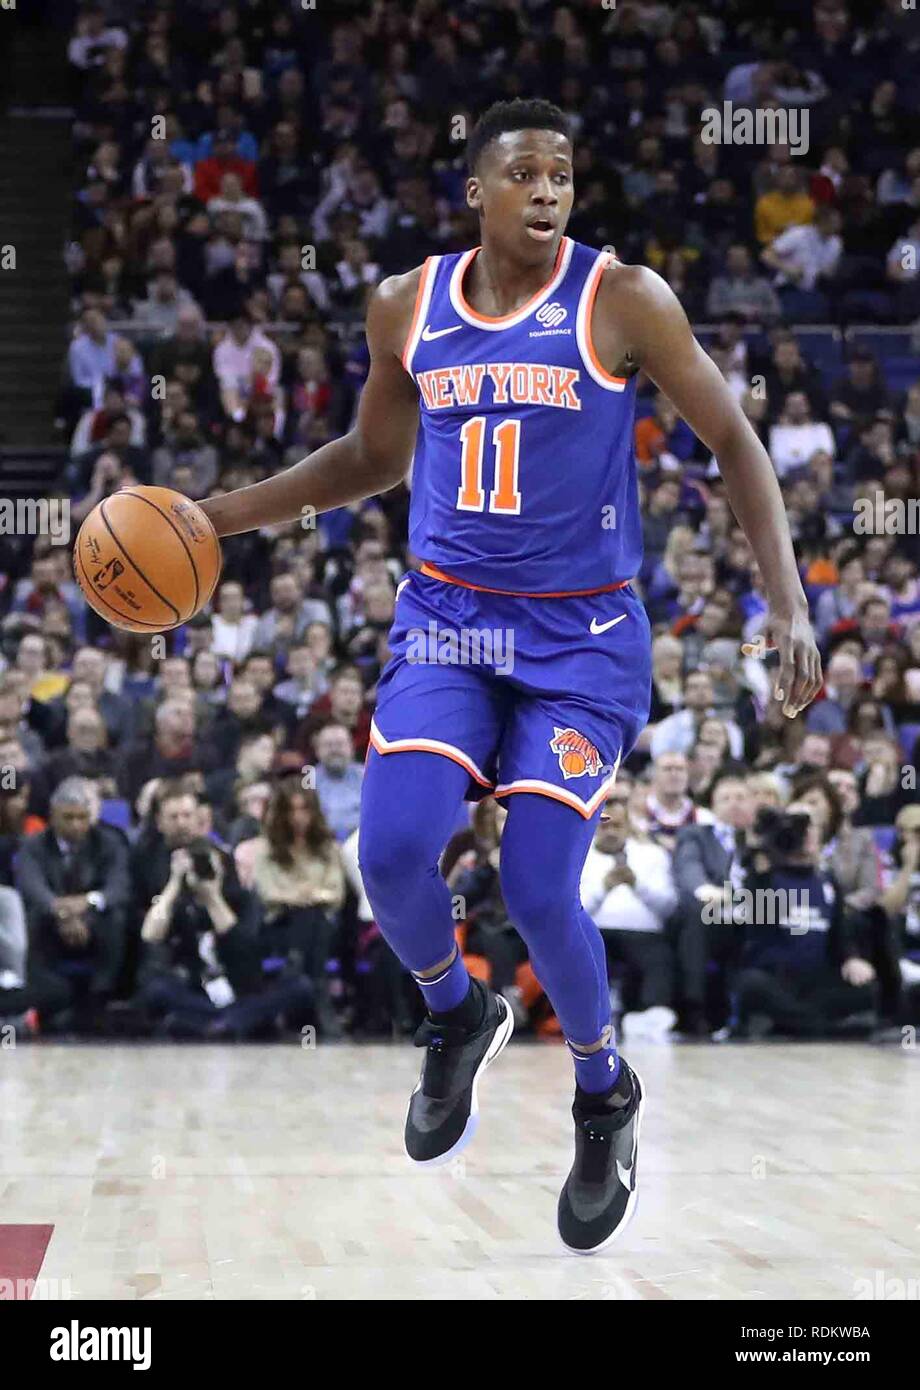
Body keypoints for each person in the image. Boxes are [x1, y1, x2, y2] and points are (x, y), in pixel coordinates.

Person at [198, 99, 823, 1253]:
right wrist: (217, 517)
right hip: (447, 624)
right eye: (524, 172)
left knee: (539, 887)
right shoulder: (405, 304)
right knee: (387, 851)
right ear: (475, 191)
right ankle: (455, 1013)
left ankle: (601, 1090)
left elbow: (734, 441)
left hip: (580, 641)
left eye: (563, 174)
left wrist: (785, 601)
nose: (546, 191)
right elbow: (367, 461)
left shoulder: (622, 298)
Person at [14, 777, 130, 1031]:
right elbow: (33, 889)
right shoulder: (33, 845)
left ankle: (101, 997)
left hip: (93, 921)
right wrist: (62, 912)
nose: (76, 825)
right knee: (31, 918)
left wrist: (88, 902)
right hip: (50, 922)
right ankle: (48, 998)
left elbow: (118, 887)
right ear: (53, 816)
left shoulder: (109, 842)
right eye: (68, 818)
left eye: (82, 817)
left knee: (117, 916)